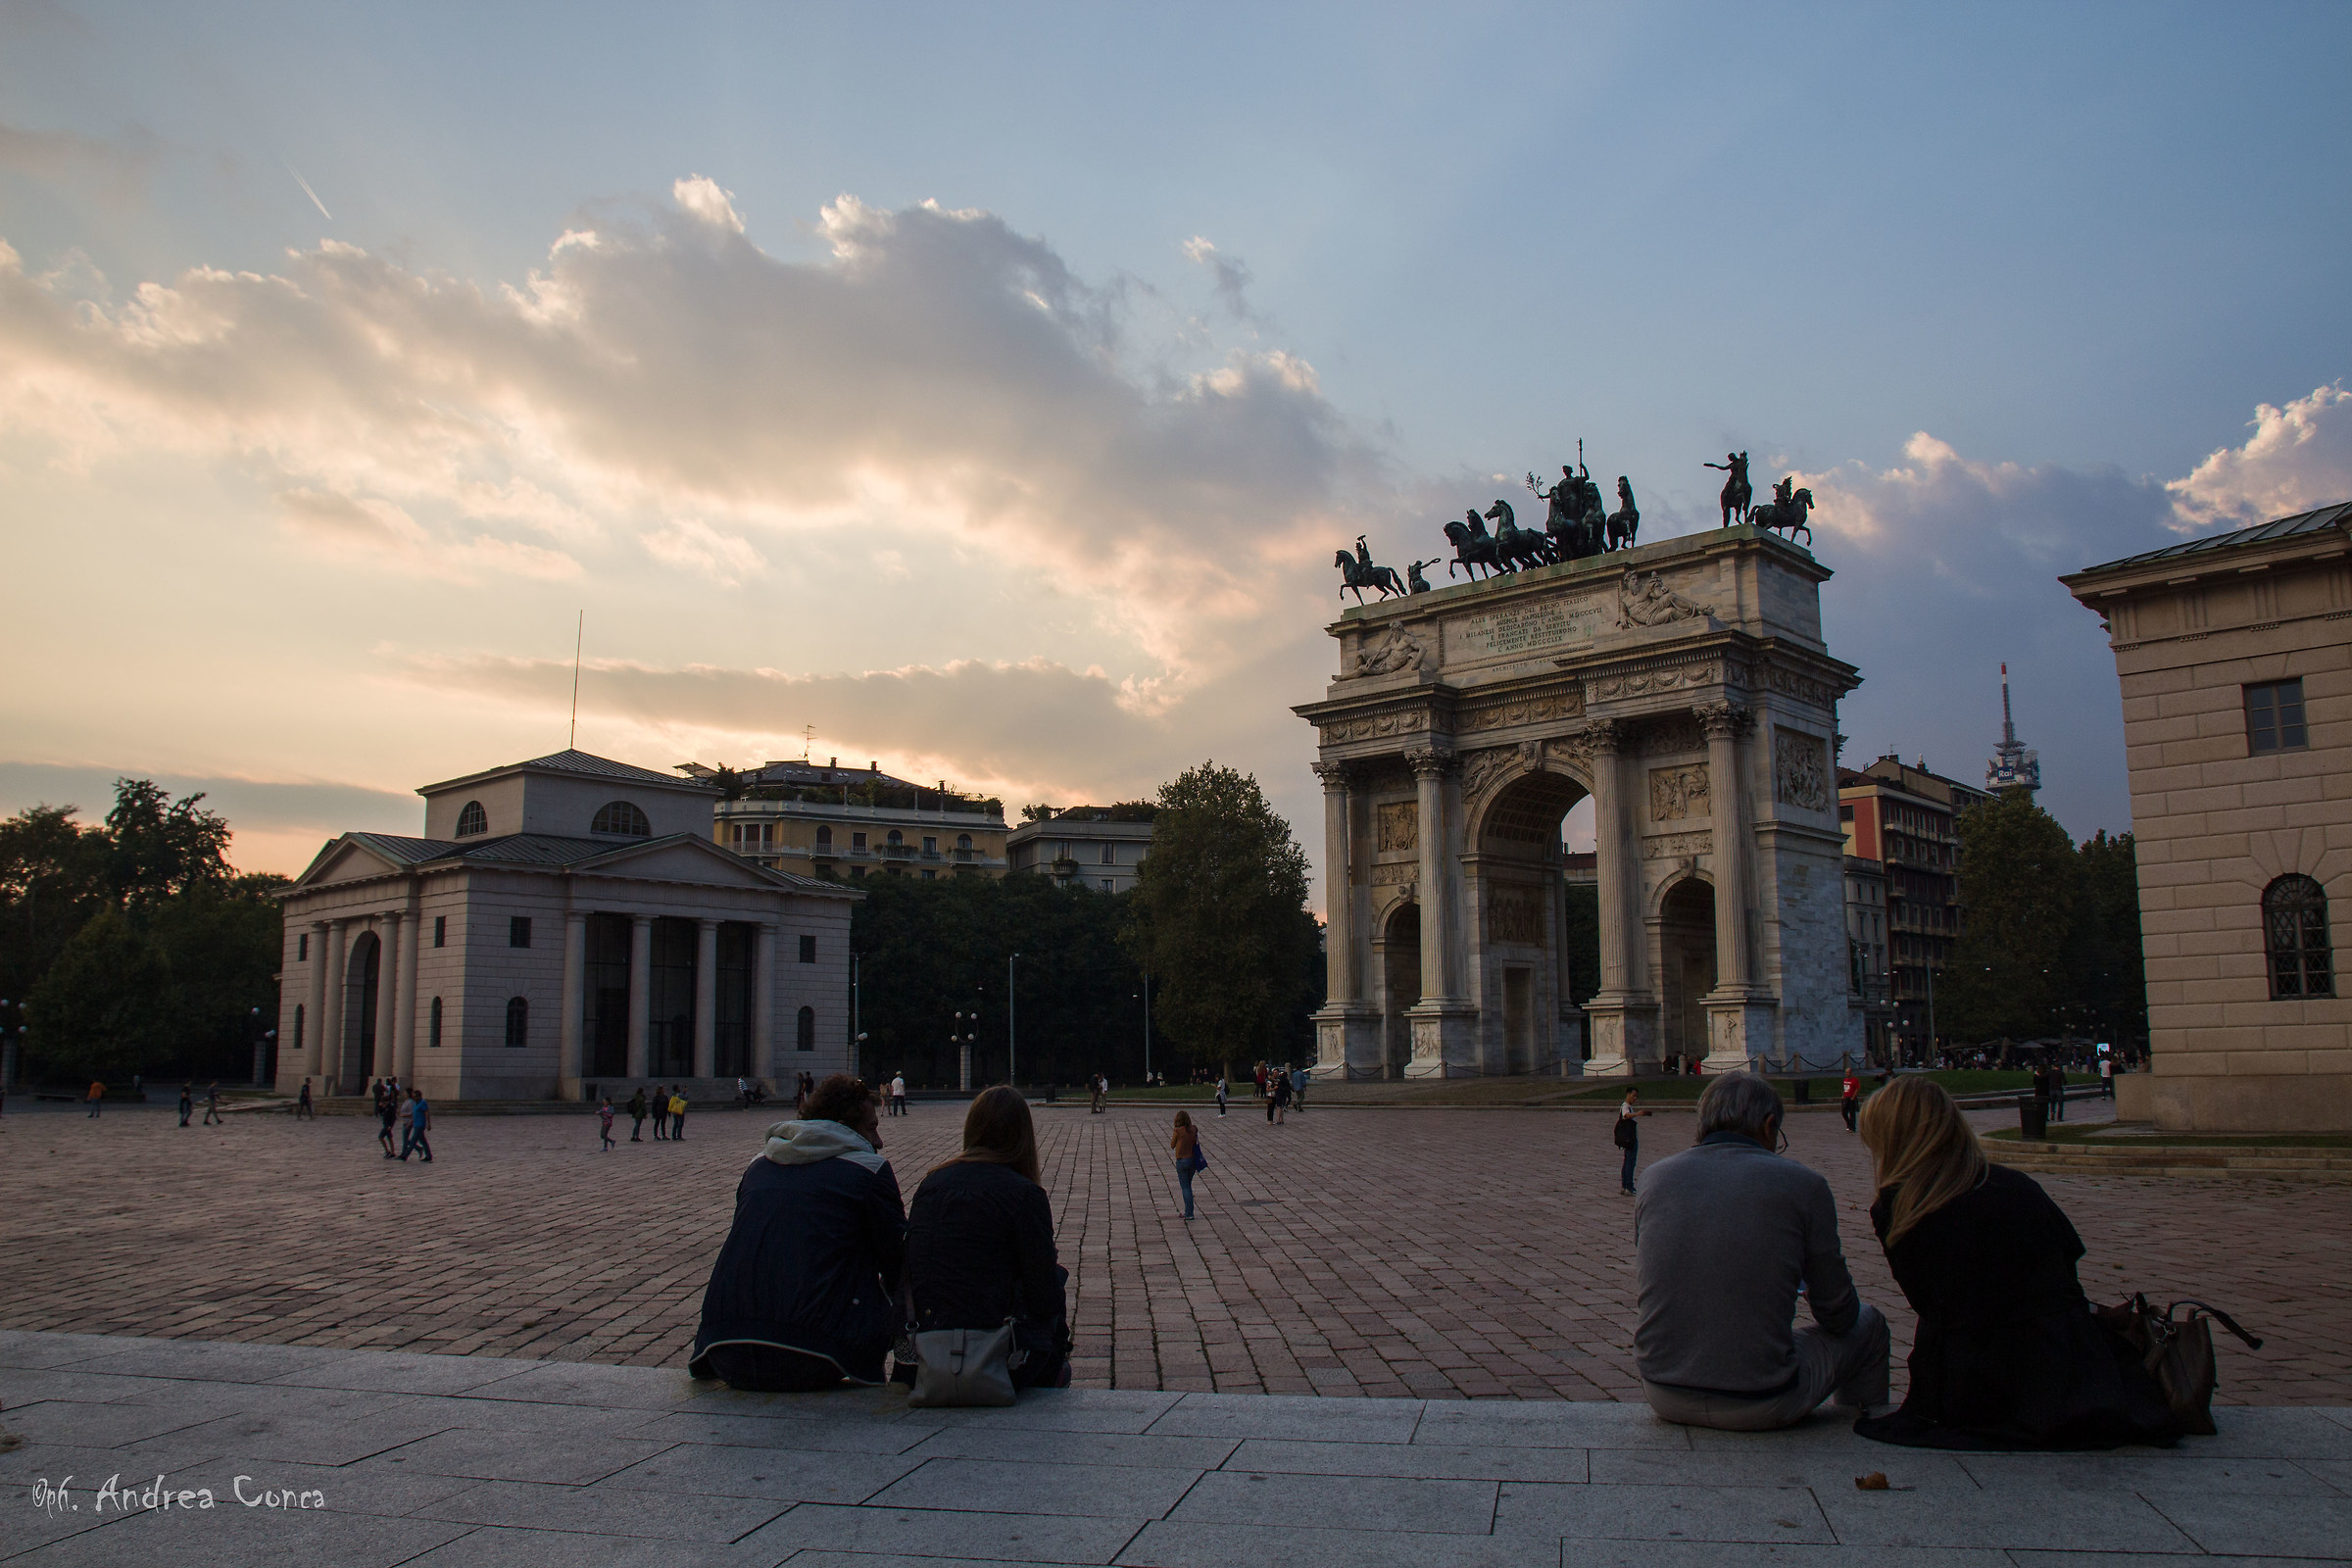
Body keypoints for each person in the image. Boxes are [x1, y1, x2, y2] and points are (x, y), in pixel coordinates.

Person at [1854, 1077, 2179, 1449]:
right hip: (2072, 1366)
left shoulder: (1902, 1208)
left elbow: (1930, 1304)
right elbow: (2067, 1265)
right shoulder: (2016, 1185)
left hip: (1977, 1381)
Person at [1634, 1072, 1888, 1431]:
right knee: (1870, 1324)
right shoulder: (1805, 1184)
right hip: (1761, 1397)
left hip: (1662, 1390)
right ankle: (1862, 1433)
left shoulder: (1653, 1178)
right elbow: (1839, 1314)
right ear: (1769, 1127)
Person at [688, 1073, 906, 1391]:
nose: (878, 1141)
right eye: (872, 1128)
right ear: (846, 1125)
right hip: (814, 1354)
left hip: (722, 1348)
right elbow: (899, 1265)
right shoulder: (869, 1170)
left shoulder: (759, 1165)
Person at [904, 1086, 1073, 1390]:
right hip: (1000, 1356)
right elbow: (1042, 1296)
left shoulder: (930, 1185)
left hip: (929, 1346)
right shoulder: (1025, 1195)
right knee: (1054, 1278)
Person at [1615, 1087, 1650, 1195]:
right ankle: (1628, 1186)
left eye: (1636, 1096)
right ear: (1628, 1094)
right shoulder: (1626, 1106)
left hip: (1629, 1138)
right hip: (1629, 1138)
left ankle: (1625, 1185)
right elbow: (1626, 1115)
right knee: (1630, 1162)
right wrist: (1638, 1114)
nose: (1634, 1098)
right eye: (1633, 1095)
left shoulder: (1628, 1107)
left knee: (1627, 1162)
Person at [1170, 1110, 1201, 1220]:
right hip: (1192, 1161)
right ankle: (1189, 1211)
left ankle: (1189, 1213)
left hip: (1182, 1161)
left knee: (1185, 1187)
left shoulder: (1178, 1131)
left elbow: (1172, 1145)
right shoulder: (1194, 1129)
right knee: (1188, 1186)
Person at [399, 1088, 432, 1162]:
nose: (413, 1098)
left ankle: (405, 1156)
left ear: (419, 1096)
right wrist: (410, 1123)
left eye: (414, 1096)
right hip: (416, 1124)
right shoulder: (415, 1104)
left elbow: (427, 1113)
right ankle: (429, 1155)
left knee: (413, 1140)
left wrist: (428, 1123)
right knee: (423, 1141)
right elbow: (414, 1115)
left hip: (420, 1125)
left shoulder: (423, 1103)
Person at [377, 1085, 400, 1156]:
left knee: (380, 1137)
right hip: (385, 1124)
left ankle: (387, 1151)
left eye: (384, 1102)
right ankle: (392, 1152)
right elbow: (380, 1112)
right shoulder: (385, 1107)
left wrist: (390, 1125)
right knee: (389, 1138)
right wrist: (380, 1107)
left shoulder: (390, 1107)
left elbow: (393, 1117)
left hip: (388, 1125)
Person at [1839, 1069, 1861, 1134]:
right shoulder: (1845, 1080)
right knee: (1844, 1112)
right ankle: (1849, 1124)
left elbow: (1857, 1088)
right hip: (1846, 1098)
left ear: (1851, 1073)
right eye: (1846, 1072)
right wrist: (1843, 1096)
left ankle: (1852, 1127)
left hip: (1852, 1098)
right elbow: (1845, 1089)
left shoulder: (1855, 1080)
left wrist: (1853, 1097)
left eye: (1848, 1072)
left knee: (1852, 1113)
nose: (1847, 1074)